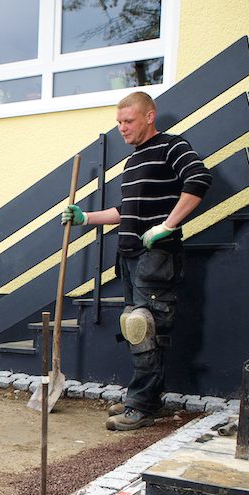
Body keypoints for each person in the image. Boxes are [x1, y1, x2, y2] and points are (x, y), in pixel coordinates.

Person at [62, 91, 211, 431]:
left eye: (128, 121)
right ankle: (147, 399)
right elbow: (124, 211)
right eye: (118, 122)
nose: (122, 128)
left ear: (149, 116)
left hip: (156, 257)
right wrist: (85, 218)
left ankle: (141, 406)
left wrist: (167, 225)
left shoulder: (172, 146)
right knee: (136, 329)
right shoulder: (133, 162)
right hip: (129, 257)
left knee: (145, 328)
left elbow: (200, 180)